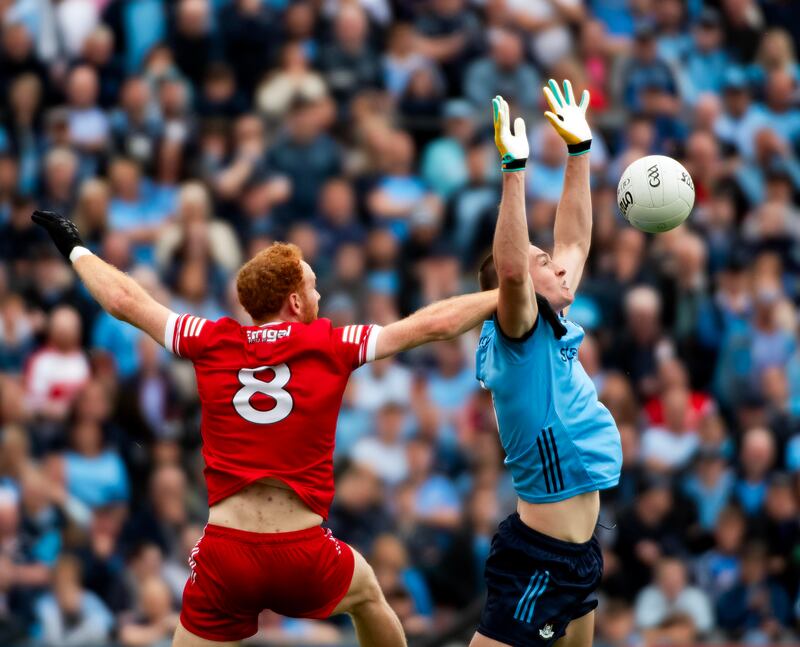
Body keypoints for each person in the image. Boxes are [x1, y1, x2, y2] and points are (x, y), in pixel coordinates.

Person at [30, 209, 497, 647]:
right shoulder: (332, 344)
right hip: (302, 553)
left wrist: (77, 249)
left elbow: (122, 299)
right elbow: (434, 324)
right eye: (313, 288)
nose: (318, 296)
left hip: (226, 554)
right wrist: (506, 291)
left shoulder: (211, 339)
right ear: (294, 301)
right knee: (369, 595)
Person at [470, 81, 622, 647]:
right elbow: (511, 271)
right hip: (542, 557)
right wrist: (514, 171)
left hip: (579, 552)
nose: (556, 268)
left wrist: (579, 154)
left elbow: (576, 242)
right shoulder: (517, 333)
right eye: (542, 263)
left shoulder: (549, 322)